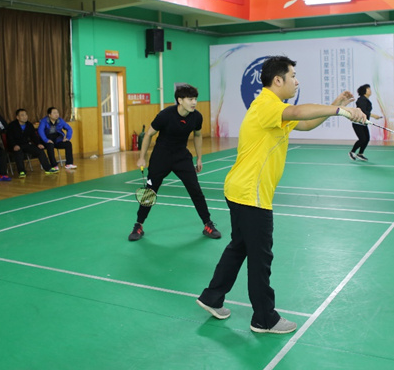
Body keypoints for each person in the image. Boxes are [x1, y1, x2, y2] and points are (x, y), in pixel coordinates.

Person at [197, 56, 366, 335]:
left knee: (239, 246)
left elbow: (306, 123)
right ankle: (264, 319)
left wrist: (336, 105)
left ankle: (212, 297)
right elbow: (299, 112)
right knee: (260, 257)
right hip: (251, 194)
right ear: (278, 80)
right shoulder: (267, 105)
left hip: (240, 189)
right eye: (293, 76)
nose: (297, 81)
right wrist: (341, 110)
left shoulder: (274, 109)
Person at [128, 84, 221, 242]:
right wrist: (142, 157)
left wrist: (199, 158)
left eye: (195, 99)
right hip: (161, 157)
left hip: (181, 157)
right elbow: (149, 134)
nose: (194, 102)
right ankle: (138, 225)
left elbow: (197, 135)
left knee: (195, 190)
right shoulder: (165, 115)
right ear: (180, 100)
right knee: (150, 192)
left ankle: (208, 224)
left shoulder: (196, 117)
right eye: (190, 99)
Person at [6, 108, 55, 177]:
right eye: (22, 115)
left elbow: (33, 136)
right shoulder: (12, 126)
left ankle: (48, 168)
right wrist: (14, 145)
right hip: (16, 145)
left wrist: (38, 144)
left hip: (26, 144)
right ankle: (22, 171)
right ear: (17, 117)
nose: (25, 117)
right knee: (18, 153)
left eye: (26, 115)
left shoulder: (29, 125)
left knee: (39, 150)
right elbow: (9, 138)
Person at [348, 84, 382, 161]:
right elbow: (363, 111)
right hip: (357, 122)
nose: (370, 90)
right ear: (364, 91)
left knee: (367, 139)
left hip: (363, 122)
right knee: (362, 139)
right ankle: (352, 152)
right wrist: (374, 116)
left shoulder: (366, 100)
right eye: (368, 89)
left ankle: (360, 154)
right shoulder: (361, 99)